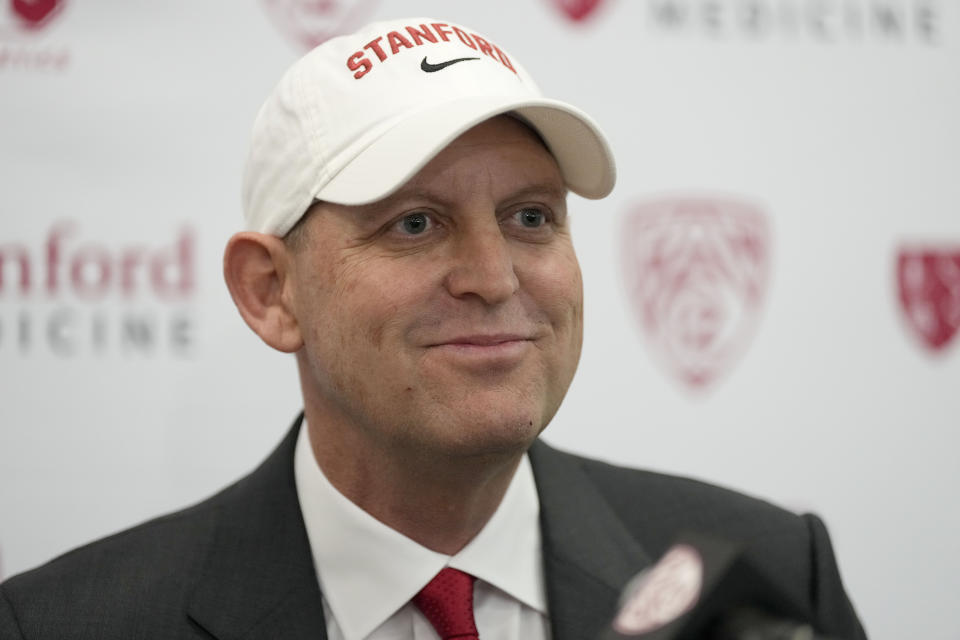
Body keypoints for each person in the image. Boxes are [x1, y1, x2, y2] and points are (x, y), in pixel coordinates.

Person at [0, 17, 866, 640]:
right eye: (414, 223)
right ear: (272, 292)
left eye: (531, 217)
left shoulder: (773, 573)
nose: (493, 278)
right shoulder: (65, 623)